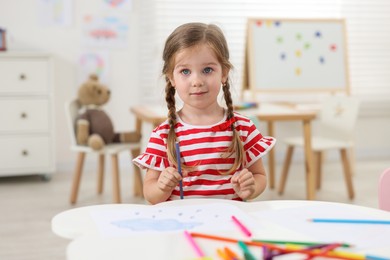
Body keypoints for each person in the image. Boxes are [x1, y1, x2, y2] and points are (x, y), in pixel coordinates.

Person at [133, 22, 275, 204]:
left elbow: (259, 176)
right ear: (171, 78)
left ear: (224, 73)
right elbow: (150, 194)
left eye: (207, 70)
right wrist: (161, 187)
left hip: (229, 225)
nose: (197, 81)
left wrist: (251, 187)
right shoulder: (163, 134)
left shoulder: (243, 127)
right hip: (182, 225)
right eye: (185, 71)